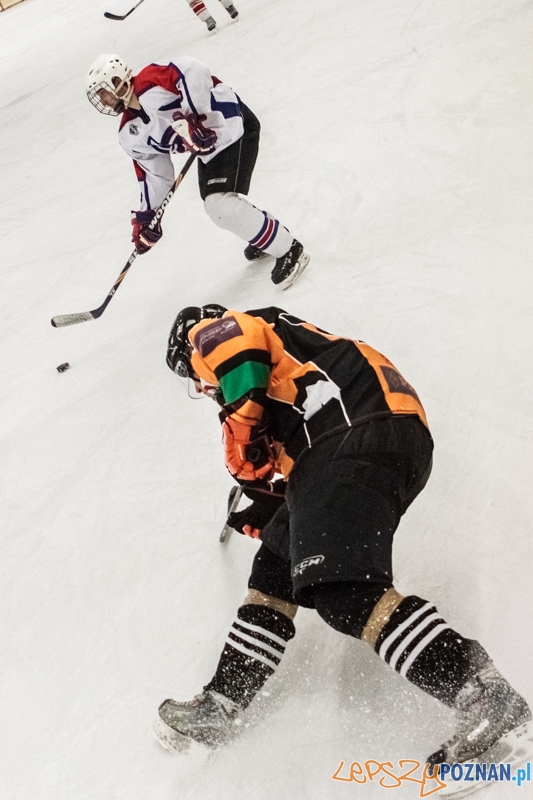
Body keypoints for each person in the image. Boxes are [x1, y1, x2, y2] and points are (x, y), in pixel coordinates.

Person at [154, 304, 532, 777]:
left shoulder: (218, 332)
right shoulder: (290, 355)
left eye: (196, 380)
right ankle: (221, 703)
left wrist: (240, 421)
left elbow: (236, 348)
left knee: (340, 590)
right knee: (276, 562)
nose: (202, 388)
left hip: (354, 434)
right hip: (371, 438)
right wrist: (275, 507)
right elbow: (294, 434)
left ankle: (489, 700)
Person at [85, 54, 309, 288]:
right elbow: (156, 175)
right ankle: (263, 231)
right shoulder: (129, 133)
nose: (104, 101)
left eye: (103, 92)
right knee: (219, 207)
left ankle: (289, 248)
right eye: (99, 97)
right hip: (208, 150)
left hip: (232, 127)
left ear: (118, 79)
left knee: (220, 205)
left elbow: (194, 70)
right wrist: (148, 217)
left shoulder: (150, 80)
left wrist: (197, 118)